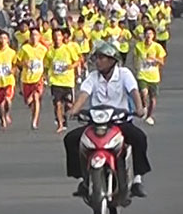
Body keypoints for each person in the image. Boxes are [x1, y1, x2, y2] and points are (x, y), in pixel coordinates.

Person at [64, 41, 150, 199]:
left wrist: (139, 108)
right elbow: (84, 94)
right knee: (71, 139)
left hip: (119, 122)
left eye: (101, 58)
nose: (97, 61)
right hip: (96, 122)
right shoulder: (92, 77)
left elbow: (134, 91)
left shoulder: (124, 74)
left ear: (112, 60)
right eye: (96, 58)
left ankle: (137, 179)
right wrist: (74, 110)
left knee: (139, 138)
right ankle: (83, 180)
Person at [45, 28, 80, 133]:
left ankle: (64, 117)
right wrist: (44, 76)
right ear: (52, 38)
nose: (57, 38)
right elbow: (46, 66)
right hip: (55, 81)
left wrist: (71, 66)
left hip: (68, 81)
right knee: (57, 103)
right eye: (55, 36)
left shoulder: (68, 49)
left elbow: (77, 61)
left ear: (62, 37)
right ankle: (60, 123)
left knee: (69, 105)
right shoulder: (50, 52)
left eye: (59, 36)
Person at [16, 27, 48, 130]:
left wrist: (46, 75)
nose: (34, 37)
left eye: (36, 35)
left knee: (36, 97)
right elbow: (17, 61)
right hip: (27, 79)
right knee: (29, 102)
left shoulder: (43, 49)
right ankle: (33, 114)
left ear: (39, 37)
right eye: (32, 35)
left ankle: (34, 122)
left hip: (38, 78)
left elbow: (47, 63)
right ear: (29, 37)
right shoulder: (25, 48)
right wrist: (24, 63)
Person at [134, 26, 166, 125]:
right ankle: (144, 105)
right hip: (142, 74)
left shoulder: (157, 47)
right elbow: (135, 57)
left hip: (154, 76)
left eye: (150, 34)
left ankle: (149, 116)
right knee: (143, 93)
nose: (148, 36)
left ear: (153, 36)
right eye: (147, 34)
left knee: (152, 99)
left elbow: (162, 62)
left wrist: (155, 59)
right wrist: (136, 66)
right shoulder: (139, 45)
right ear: (144, 35)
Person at [0, 30, 18, 129]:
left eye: (5, 38)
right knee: (0, 104)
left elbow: (16, 65)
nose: (3, 40)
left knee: (7, 99)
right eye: (1, 38)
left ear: (8, 40)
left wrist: (13, 70)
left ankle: (7, 114)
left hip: (9, 81)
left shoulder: (12, 52)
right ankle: (2, 119)